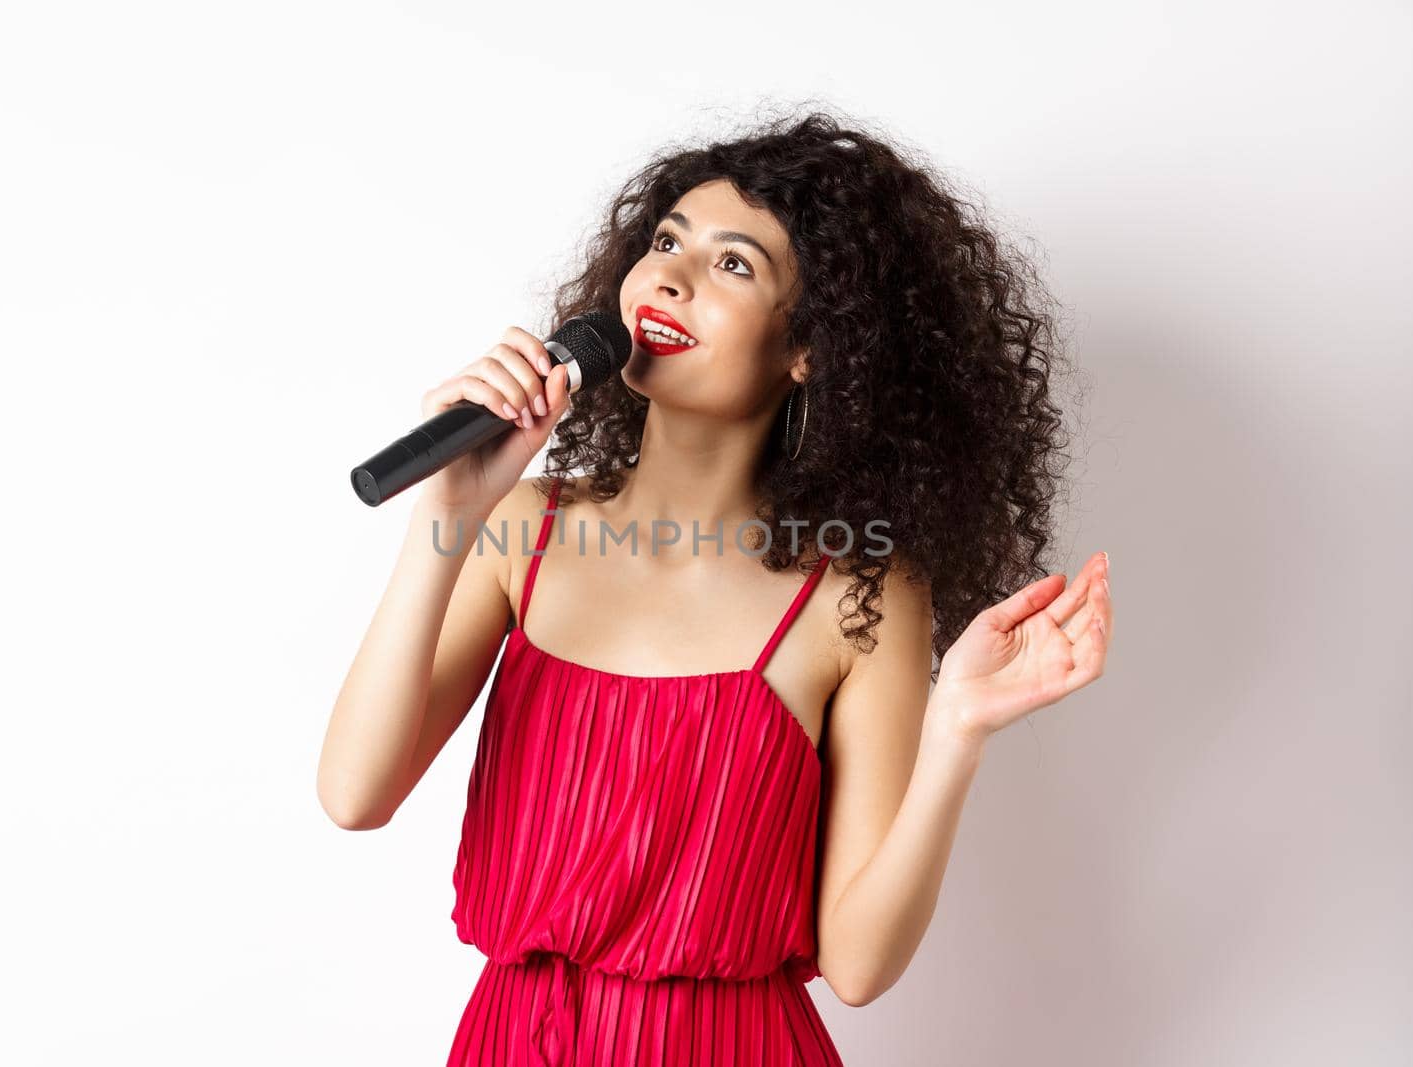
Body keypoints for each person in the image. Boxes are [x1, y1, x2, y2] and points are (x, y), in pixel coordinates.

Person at [317, 109, 1113, 1065]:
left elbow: (856, 967)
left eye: (733, 264)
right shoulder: (521, 530)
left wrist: (958, 734)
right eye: (665, 243)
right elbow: (355, 794)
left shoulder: (856, 593)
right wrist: (445, 514)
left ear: (811, 346)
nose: (671, 277)